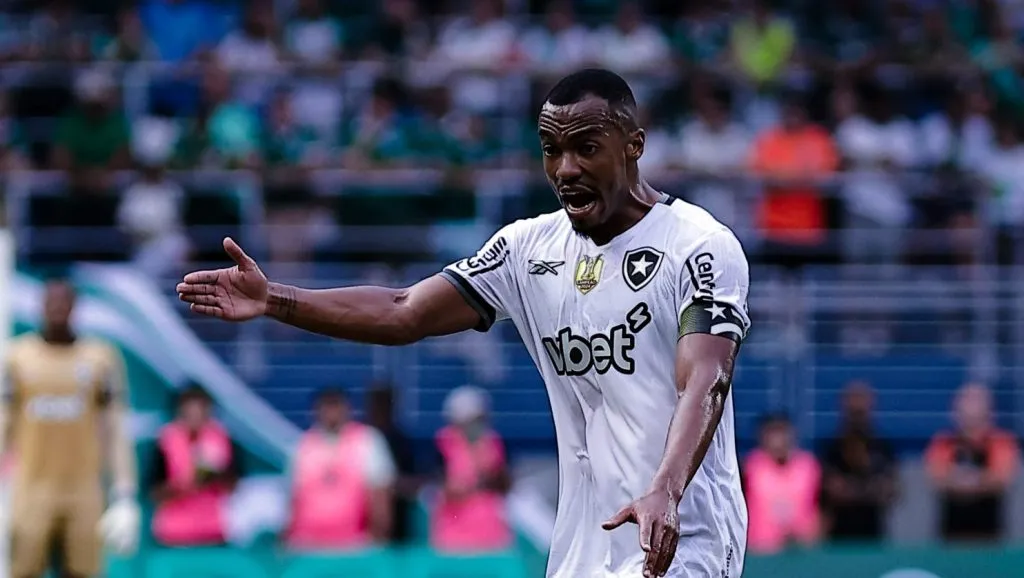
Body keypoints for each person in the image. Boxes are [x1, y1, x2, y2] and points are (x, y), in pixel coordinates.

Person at [177, 68, 752, 578]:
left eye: (586, 148)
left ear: (634, 145)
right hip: (585, 545)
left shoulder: (698, 246)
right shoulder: (527, 251)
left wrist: (666, 489)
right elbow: (405, 311)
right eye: (551, 150)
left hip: (683, 535)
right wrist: (276, 299)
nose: (566, 169)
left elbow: (705, 380)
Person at [1, 279, 140, 578]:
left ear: (75, 307)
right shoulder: (18, 358)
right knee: (23, 571)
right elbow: (3, 424)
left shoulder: (100, 358)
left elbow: (115, 429)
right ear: (41, 306)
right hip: (31, 492)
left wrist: (125, 492)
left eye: (64, 303)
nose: (57, 309)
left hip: (84, 493)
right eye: (51, 302)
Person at [286, 387, 396, 550]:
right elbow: (294, 498)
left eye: (336, 405)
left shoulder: (367, 440)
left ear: (347, 408)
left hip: (355, 546)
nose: (331, 411)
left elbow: (380, 494)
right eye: (327, 406)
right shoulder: (303, 445)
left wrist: (378, 540)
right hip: (307, 546)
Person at [149, 385, 243, 547]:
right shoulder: (166, 441)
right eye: (190, 409)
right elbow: (154, 493)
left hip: (213, 532)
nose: (195, 414)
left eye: (201, 409)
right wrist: (185, 483)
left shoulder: (222, 438)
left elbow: (235, 485)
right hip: (174, 534)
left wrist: (215, 474)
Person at [925, 382, 1019, 542]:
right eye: (966, 400)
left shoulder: (1001, 441)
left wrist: (964, 480)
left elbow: (1001, 478)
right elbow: (937, 478)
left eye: (976, 400)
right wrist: (979, 480)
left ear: (989, 408)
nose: (970, 407)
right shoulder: (944, 441)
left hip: (989, 533)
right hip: (951, 533)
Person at [432, 386, 512, 552]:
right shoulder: (444, 443)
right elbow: (450, 489)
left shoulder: (492, 442)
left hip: (490, 533)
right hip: (454, 537)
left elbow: (503, 483)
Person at [819, 381, 897, 542]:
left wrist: (852, 489)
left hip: (874, 535)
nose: (857, 411)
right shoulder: (831, 447)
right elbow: (834, 490)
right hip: (837, 538)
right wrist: (869, 489)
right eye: (853, 409)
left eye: (861, 408)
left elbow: (890, 490)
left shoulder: (883, 447)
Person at [743, 413, 820, 554]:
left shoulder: (808, 465)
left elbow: (821, 507)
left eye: (782, 432)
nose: (778, 439)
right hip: (760, 550)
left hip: (802, 550)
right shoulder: (751, 466)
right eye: (773, 433)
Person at [365, 384, 418, 545]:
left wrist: (389, 485)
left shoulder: (401, 441)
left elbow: (412, 480)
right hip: (367, 518)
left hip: (398, 516)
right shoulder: (361, 437)